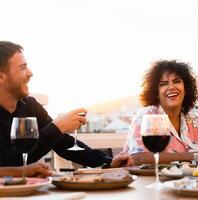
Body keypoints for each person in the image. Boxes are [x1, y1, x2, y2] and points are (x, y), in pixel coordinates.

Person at [0, 41, 132, 168]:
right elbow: (8, 162)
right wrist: (57, 127)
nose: (30, 73)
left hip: (27, 188)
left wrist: (107, 162)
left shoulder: (30, 105)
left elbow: (64, 144)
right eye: (23, 68)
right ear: (1, 77)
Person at [123, 60, 198, 165]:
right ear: (156, 92)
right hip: (149, 188)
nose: (171, 87)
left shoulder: (192, 120)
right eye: (163, 84)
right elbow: (138, 158)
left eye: (176, 81)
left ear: (186, 88)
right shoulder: (147, 116)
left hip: (188, 186)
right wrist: (193, 155)